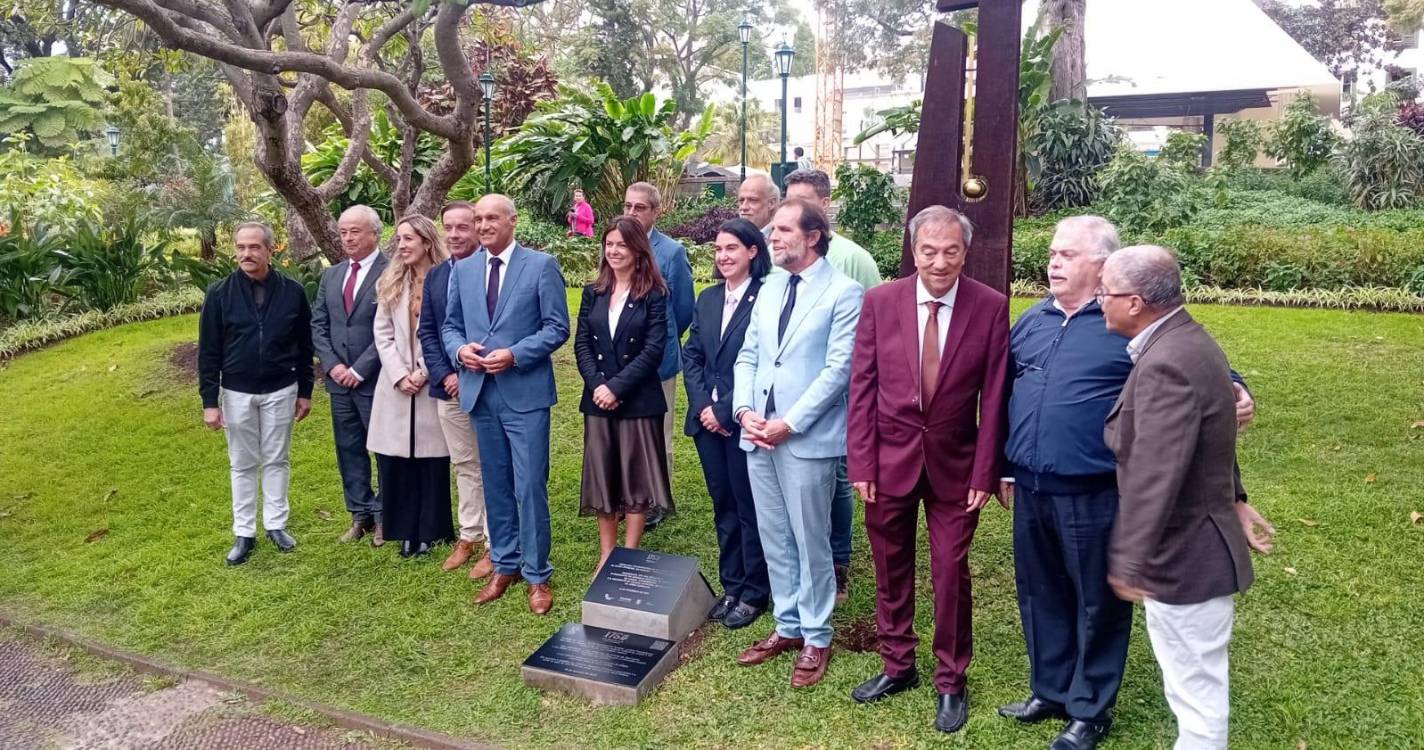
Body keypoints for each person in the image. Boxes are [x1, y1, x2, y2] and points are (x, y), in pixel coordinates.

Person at [997, 217, 1270, 750]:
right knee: (1040, 592)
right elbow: (1006, 391)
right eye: (1053, 253)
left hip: (1095, 489)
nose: (1053, 263)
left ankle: (1088, 708)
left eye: (1067, 255)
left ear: (1104, 268)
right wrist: (1003, 469)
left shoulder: (1125, 327)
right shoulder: (1031, 321)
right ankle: (1049, 690)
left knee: (1097, 601)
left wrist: (1237, 388)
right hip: (1031, 486)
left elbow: (1200, 373)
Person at [846, 206, 1010, 734]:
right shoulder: (880, 302)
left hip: (956, 469)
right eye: (928, 251)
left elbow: (996, 400)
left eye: (951, 251)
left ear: (966, 252)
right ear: (912, 251)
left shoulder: (990, 307)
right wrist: (862, 461)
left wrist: (986, 473)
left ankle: (951, 680)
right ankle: (897, 665)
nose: (939, 262)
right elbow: (862, 389)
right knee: (890, 568)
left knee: (950, 573)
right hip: (887, 462)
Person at [1099, 246, 1259, 750]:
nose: (1099, 300)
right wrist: (1235, 496)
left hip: (1186, 555)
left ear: (1135, 302)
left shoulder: (1167, 360)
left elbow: (1155, 471)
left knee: (1196, 692)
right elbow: (1213, 436)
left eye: (1106, 292)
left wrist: (1128, 560)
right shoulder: (1187, 340)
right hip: (1198, 543)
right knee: (1194, 683)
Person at [731, 198, 863, 688]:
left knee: (811, 539)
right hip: (757, 434)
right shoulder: (767, 287)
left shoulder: (844, 293)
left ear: (814, 237)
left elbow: (838, 372)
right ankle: (787, 625)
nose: (773, 237)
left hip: (805, 438)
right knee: (774, 535)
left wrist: (789, 422)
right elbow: (748, 355)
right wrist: (744, 411)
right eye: (772, 229)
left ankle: (817, 636)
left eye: (784, 229)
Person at [442, 194, 570, 615]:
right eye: (476, 219)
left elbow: (557, 327)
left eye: (490, 218)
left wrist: (515, 354)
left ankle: (537, 574)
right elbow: (450, 325)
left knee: (530, 484)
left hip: (525, 393)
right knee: (494, 482)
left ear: (513, 221)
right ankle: (505, 563)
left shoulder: (541, 265)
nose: (481, 225)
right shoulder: (462, 269)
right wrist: (460, 351)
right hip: (480, 391)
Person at [782, 167, 883, 602]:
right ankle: (798, 564)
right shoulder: (780, 257)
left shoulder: (854, 259)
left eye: (802, 202)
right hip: (789, 394)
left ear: (823, 205)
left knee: (839, 480)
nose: (792, 210)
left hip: (839, 391)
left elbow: (874, 327)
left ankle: (837, 561)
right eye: (788, 201)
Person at [198, 222, 314, 566]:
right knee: (242, 463)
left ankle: (276, 525)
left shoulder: (292, 292)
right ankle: (244, 532)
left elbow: (304, 346)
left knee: (277, 458)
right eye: (241, 247)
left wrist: (305, 390)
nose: (247, 254)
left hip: (282, 388)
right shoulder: (219, 294)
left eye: (254, 247)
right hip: (237, 391)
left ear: (269, 250)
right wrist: (209, 402)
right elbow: (209, 352)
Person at [682, 218, 773, 631]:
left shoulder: (767, 298)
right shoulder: (708, 297)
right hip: (707, 422)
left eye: (731, 248)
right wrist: (704, 406)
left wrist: (725, 410)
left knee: (748, 506)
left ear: (753, 251)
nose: (722, 257)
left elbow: (760, 362)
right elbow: (693, 355)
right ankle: (731, 585)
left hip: (743, 421)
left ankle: (755, 591)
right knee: (723, 505)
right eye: (718, 250)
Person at [574, 216, 674, 571]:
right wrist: (598, 385)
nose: (614, 251)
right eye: (609, 244)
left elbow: (653, 350)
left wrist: (616, 387)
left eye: (622, 244)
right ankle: (607, 552)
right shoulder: (593, 292)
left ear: (638, 249)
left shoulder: (655, 294)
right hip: (597, 399)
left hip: (637, 400)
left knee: (635, 477)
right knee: (603, 474)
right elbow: (582, 343)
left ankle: (629, 553)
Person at [368, 215, 455, 558]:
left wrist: (424, 372)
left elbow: (448, 331)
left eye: (408, 239)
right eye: (399, 239)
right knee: (397, 461)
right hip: (396, 386)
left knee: (432, 462)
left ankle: (433, 530)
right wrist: (400, 373)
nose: (401, 245)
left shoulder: (448, 279)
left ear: (427, 242)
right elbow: (382, 333)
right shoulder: (390, 281)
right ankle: (405, 531)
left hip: (432, 382)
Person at [420, 201, 493, 578]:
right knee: (464, 462)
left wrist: (465, 372)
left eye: (463, 227)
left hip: (487, 384)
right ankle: (470, 534)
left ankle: (497, 543)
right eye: (448, 227)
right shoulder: (435, 276)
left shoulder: (490, 272)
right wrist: (444, 374)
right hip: (448, 387)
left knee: (493, 465)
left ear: (478, 229)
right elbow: (429, 332)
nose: (454, 235)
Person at [313, 205, 389, 546]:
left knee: (384, 450)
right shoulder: (332, 275)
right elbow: (319, 324)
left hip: (376, 380)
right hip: (339, 381)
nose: (347, 238)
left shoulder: (392, 271)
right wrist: (333, 365)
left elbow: (392, 329)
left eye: (355, 231)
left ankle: (386, 515)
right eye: (343, 231)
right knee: (349, 448)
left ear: (374, 233)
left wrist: (360, 368)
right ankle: (360, 513)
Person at [621, 182, 695, 530]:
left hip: (658, 361)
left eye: (640, 207)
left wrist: (662, 342)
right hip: (620, 362)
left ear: (655, 211)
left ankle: (655, 500)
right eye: (628, 206)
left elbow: (682, 308)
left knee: (656, 433)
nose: (632, 213)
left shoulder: (672, 251)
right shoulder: (617, 244)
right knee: (624, 431)